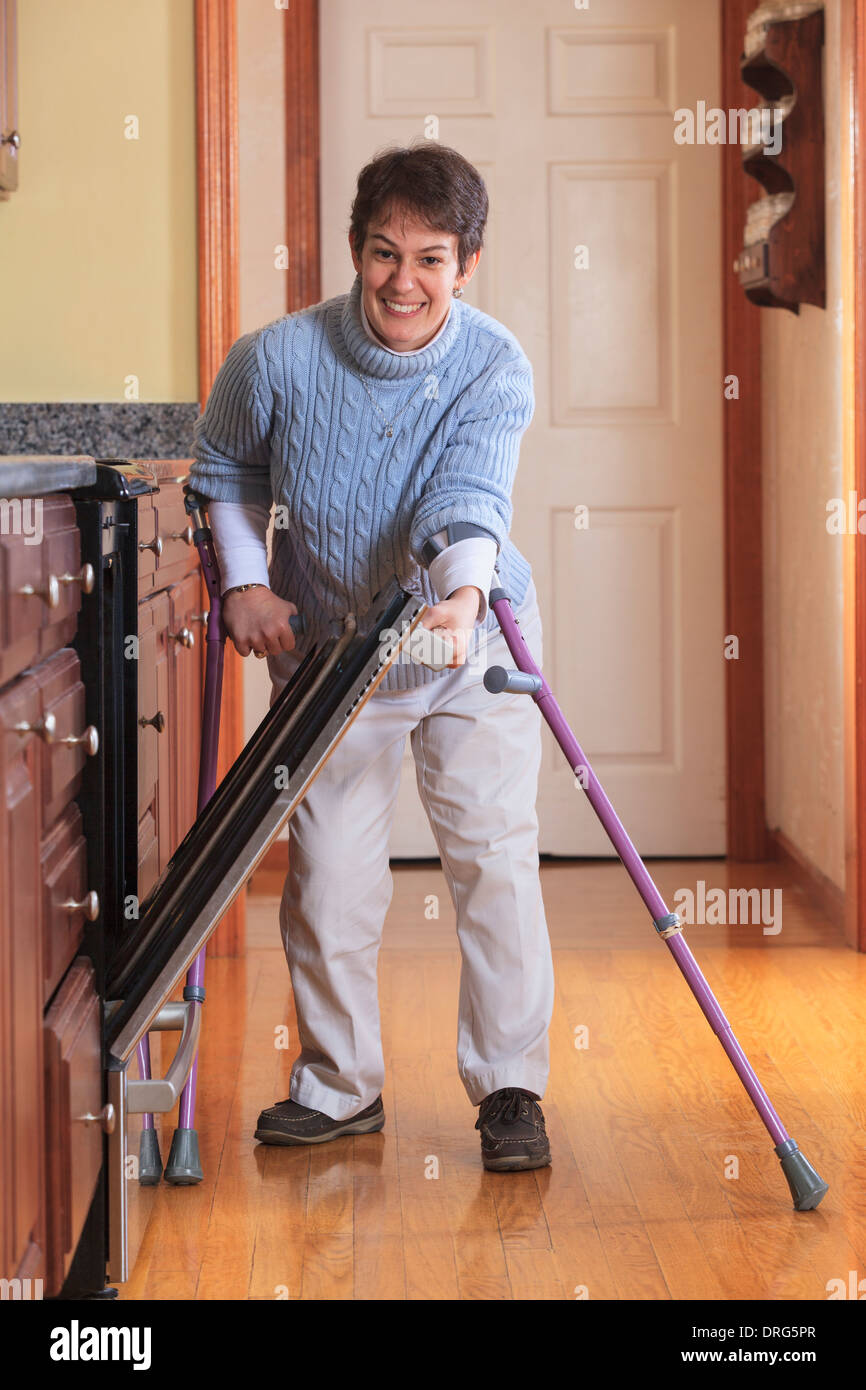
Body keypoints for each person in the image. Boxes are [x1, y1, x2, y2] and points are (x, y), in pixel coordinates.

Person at [190, 142, 555, 1171]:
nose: (405, 281)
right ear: (354, 249)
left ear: (467, 262)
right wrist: (244, 581)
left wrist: (463, 593)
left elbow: (467, 496)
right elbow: (224, 471)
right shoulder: (276, 356)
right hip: (334, 649)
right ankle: (338, 1085)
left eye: (431, 259)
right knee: (329, 878)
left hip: (466, 641)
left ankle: (511, 1088)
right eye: (385, 254)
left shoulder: (492, 362)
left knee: (490, 860)